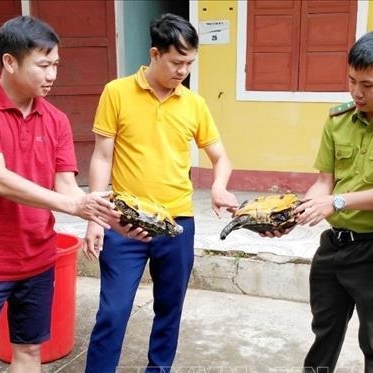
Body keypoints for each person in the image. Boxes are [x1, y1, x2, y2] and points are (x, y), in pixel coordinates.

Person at [0, 16, 120, 373]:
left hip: (37, 257)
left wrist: (101, 213)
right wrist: (73, 204)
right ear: (10, 61)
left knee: (29, 353)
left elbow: (67, 187)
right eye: (43, 65)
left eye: (55, 64)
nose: (52, 74)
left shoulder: (55, 118)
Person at [265, 31, 373, 372]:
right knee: (323, 332)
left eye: (368, 85)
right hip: (334, 248)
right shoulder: (339, 120)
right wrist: (293, 213)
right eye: (352, 81)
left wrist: (337, 202)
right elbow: (325, 180)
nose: (357, 92)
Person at [83, 13, 239, 373]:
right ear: (155, 54)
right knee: (113, 310)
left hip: (177, 222)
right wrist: (95, 214)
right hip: (125, 224)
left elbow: (220, 157)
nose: (183, 70)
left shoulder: (193, 103)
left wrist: (218, 185)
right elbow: (102, 156)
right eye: (176, 62)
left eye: (189, 63)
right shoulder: (117, 92)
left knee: (170, 308)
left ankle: (159, 369)